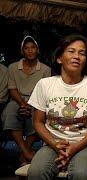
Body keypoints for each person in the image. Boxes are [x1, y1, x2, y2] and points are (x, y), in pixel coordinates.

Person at [27, 34, 87, 180]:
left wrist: (75, 147)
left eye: (82, 53)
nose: (77, 56)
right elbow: (38, 122)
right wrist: (55, 144)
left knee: (80, 174)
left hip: (85, 145)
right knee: (36, 173)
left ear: (85, 61)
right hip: (52, 144)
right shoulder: (45, 85)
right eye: (71, 51)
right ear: (59, 58)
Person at [1, 36, 51, 165]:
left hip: (37, 100)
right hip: (17, 99)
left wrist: (30, 104)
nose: (30, 51)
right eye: (26, 48)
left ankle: (24, 154)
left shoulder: (45, 69)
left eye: (33, 48)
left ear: (37, 50)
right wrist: (22, 104)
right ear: (22, 51)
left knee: (38, 116)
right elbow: (12, 89)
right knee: (10, 112)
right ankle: (27, 152)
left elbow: (44, 92)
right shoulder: (13, 67)